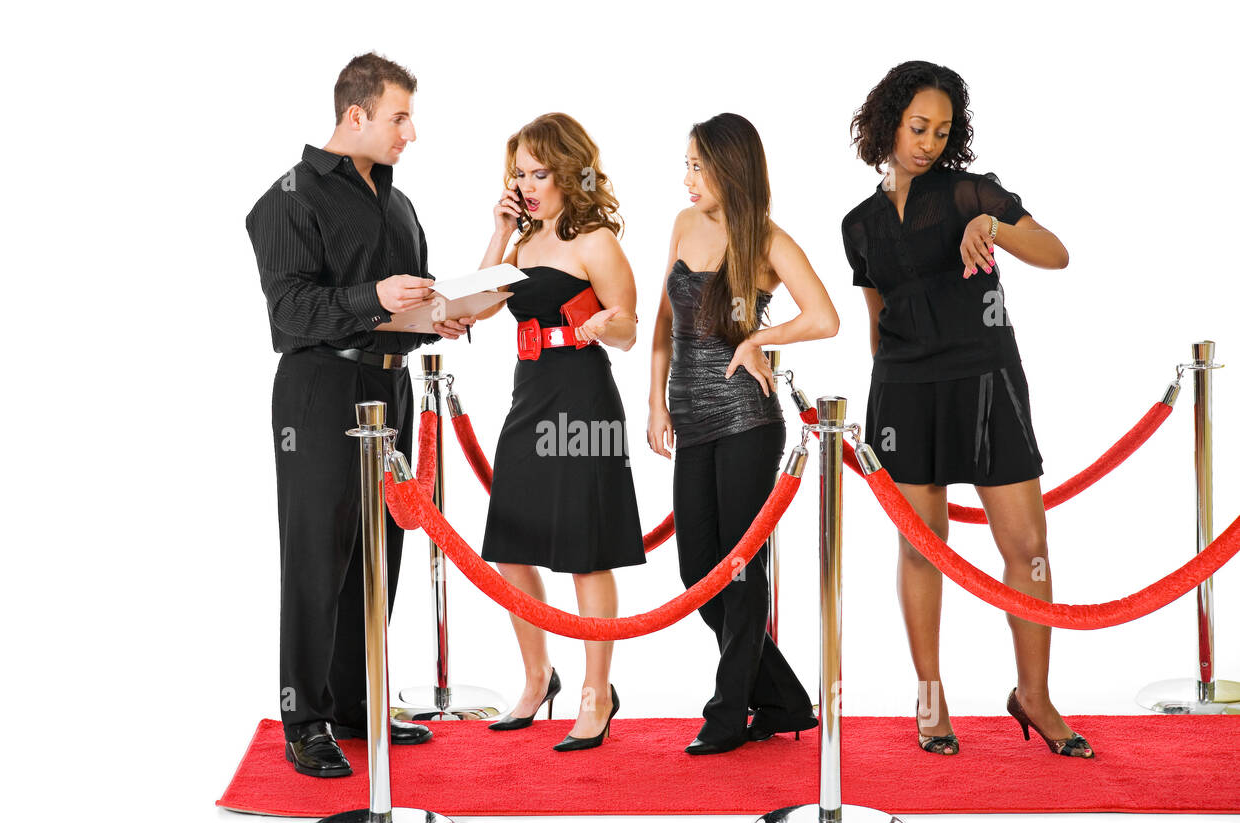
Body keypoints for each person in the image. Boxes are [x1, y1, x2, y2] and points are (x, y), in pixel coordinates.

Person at [841, 60, 1092, 758]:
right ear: (887, 122)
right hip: (902, 389)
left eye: (941, 130)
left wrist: (994, 223)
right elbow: (877, 316)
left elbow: (1057, 253)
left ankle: (1033, 695)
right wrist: (879, 401)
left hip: (986, 378)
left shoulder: (968, 192)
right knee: (923, 548)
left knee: (1027, 548)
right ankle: (930, 694)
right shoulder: (857, 225)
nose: (927, 140)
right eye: (917, 126)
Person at [245, 52, 472, 777]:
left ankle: (353, 704)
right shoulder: (287, 199)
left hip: (392, 386)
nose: (411, 132)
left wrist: (433, 320)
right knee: (316, 554)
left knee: (381, 550)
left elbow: (397, 308)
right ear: (355, 115)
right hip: (319, 390)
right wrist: (376, 297)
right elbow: (290, 315)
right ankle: (303, 719)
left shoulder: (398, 205)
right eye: (399, 116)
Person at [647, 114, 840, 755]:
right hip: (690, 420)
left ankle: (728, 713)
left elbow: (824, 317)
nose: (688, 178)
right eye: (688, 164)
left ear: (731, 168)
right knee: (696, 571)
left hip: (746, 421)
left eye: (699, 166)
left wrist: (760, 336)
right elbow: (662, 326)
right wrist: (655, 401)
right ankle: (784, 697)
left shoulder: (766, 241)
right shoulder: (682, 225)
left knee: (737, 569)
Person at [470, 113, 644, 751]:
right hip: (528, 397)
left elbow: (628, 328)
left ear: (570, 172)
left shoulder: (594, 240)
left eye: (540, 173)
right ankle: (537, 676)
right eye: (519, 174)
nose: (529, 184)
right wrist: (498, 232)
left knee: (585, 549)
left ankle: (597, 694)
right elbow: (473, 306)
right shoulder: (521, 244)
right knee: (512, 542)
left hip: (583, 401)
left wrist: (606, 325)